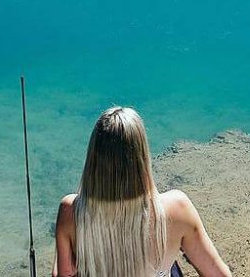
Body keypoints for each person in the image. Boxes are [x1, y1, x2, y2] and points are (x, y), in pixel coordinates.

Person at [54, 106, 231, 277]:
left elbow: (64, 273)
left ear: (94, 159)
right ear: (141, 156)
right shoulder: (178, 208)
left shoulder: (70, 211)